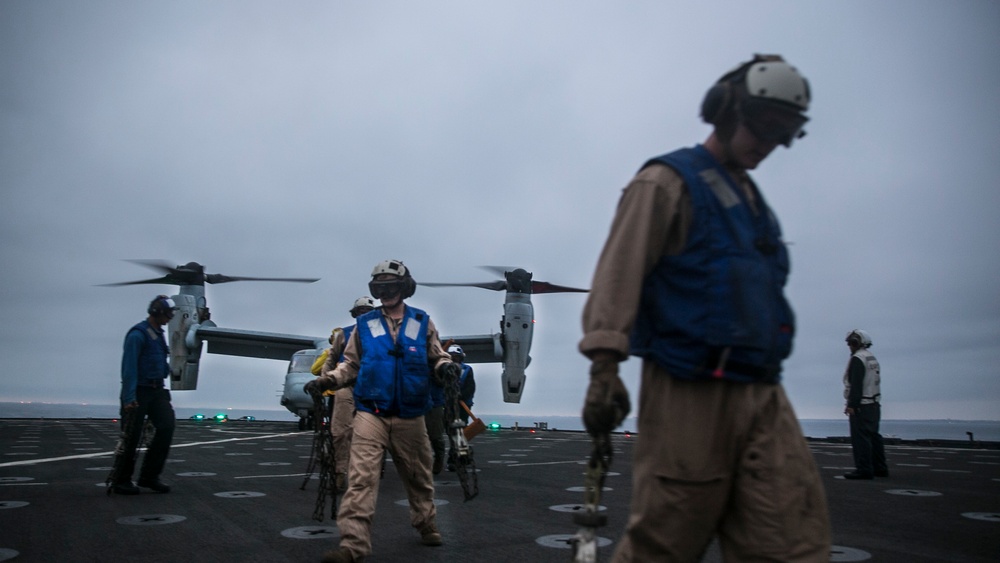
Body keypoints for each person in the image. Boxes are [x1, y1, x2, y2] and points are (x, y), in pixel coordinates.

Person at [579, 54, 831, 561]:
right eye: (764, 125)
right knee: (665, 541)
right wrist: (605, 368)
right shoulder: (666, 182)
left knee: (792, 540)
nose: (770, 142)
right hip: (690, 391)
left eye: (784, 131)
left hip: (762, 389)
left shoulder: (753, 202)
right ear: (726, 110)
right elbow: (617, 276)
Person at [305, 259, 459, 563]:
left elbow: (437, 356)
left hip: (410, 415)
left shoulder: (421, 321)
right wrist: (327, 379)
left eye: (391, 285)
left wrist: (446, 367)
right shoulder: (365, 325)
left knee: (419, 478)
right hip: (370, 413)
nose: (385, 291)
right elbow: (350, 365)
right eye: (379, 287)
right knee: (361, 479)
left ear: (404, 288)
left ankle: (426, 523)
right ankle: (353, 546)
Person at [111, 295, 177, 495]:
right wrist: (129, 398)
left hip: (157, 390)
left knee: (166, 426)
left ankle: (149, 476)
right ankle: (121, 480)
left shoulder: (158, 333)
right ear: (157, 313)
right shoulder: (137, 335)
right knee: (131, 435)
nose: (169, 318)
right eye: (167, 314)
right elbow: (129, 369)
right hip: (139, 390)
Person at [319, 296, 377, 491]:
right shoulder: (343, 334)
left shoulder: (384, 334)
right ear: (355, 314)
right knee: (340, 431)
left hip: (373, 388)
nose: (364, 314)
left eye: (367, 311)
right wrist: (325, 380)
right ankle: (339, 472)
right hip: (346, 386)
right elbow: (330, 358)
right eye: (360, 311)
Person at [843, 329, 888, 480]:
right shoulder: (871, 358)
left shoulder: (858, 359)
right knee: (874, 436)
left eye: (851, 343)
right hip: (874, 404)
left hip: (862, 405)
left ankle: (864, 469)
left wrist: (852, 405)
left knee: (860, 438)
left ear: (856, 343)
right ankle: (880, 467)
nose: (849, 346)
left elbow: (856, 384)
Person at [445, 344, 476, 472]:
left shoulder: (467, 370)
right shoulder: (444, 369)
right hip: (447, 405)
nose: (454, 359)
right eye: (451, 357)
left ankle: (455, 458)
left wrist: (460, 396)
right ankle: (464, 455)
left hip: (463, 406)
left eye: (456, 357)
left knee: (459, 432)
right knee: (451, 432)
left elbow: (470, 387)